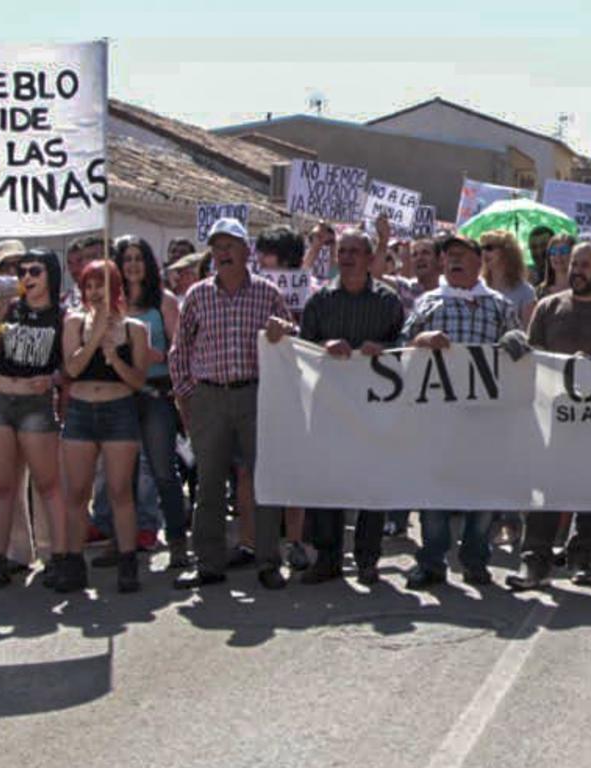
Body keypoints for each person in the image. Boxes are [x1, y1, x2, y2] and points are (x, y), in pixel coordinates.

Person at [274, 227, 406, 586]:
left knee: (372, 485)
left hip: (374, 411)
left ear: (368, 257)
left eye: (353, 251)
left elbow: (404, 346)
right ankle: (328, 558)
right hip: (329, 410)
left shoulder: (388, 301)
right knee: (328, 485)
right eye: (341, 251)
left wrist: (385, 348)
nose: (346, 257)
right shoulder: (320, 302)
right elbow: (303, 352)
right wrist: (324, 347)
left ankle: (367, 560)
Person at [170, 218, 294, 590]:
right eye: (217, 247)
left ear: (246, 252)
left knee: (263, 481)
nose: (223, 254)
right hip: (209, 396)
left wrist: (284, 330)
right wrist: (186, 395)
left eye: (230, 246)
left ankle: (268, 561)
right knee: (208, 484)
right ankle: (208, 562)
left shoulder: (268, 293)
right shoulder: (197, 295)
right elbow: (181, 350)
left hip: (256, 394)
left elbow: (293, 340)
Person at [510, 240, 591, 589]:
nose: (576, 271)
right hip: (552, 416)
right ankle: (534, 561)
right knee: (546, 490)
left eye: (584, 265)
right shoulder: (548, 308)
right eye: (572, 265)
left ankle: (581, 558)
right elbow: (533, 357)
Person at [401, 233, 519, 588]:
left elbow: (519, 355)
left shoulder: (499, 305)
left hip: (485, 418)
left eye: (461, 254)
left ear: (478, 262)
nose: (453, 260)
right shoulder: (428, 303)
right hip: (437, 417)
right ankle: (433, 561)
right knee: (435, 492)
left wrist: (516, 342)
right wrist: (421, 341)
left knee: (482, 493)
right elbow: (402, 348)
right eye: (448, 255)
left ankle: (475, 561)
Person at [0, 249, 71, 592]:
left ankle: (59, 558)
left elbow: (69, 366)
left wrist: (54, 381)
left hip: (36, 403)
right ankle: (0, 559)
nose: (26, 278)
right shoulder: (7, 309)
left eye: (35, 271)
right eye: (22, 272)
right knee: (3, 486)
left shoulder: (61, 316)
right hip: (0, 400)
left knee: (47, 485)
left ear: (50, 275)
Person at [57, 260, 151, 595]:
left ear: (115, 289)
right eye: (89, 286)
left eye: (101, 285)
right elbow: (72, 368)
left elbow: (138, 380)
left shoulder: (135, 329)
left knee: (120, 491)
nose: (95, 293)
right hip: (81, 411)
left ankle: (128, 563)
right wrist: (95, 335)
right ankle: (72, 562)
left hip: (118, 409)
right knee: (77, 491)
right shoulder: (73, 323)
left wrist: (116, 359)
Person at [115, 235, 189, 565]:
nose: (132, 265)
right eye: (126, 259)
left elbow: (180, 350)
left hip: (156, 392)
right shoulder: (110, 303)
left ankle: (177, 544)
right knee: (121, 476)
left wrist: (151, 354)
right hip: (119, 394)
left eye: (138, 258)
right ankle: (122, 543)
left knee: (163, 471)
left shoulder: (164, 301)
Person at [478, 229, 538, 327]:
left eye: (489, 248)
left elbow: (528, 331)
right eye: (481, 248)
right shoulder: (478, 287)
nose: (484, 253)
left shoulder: (525, 291)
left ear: (507, 252)